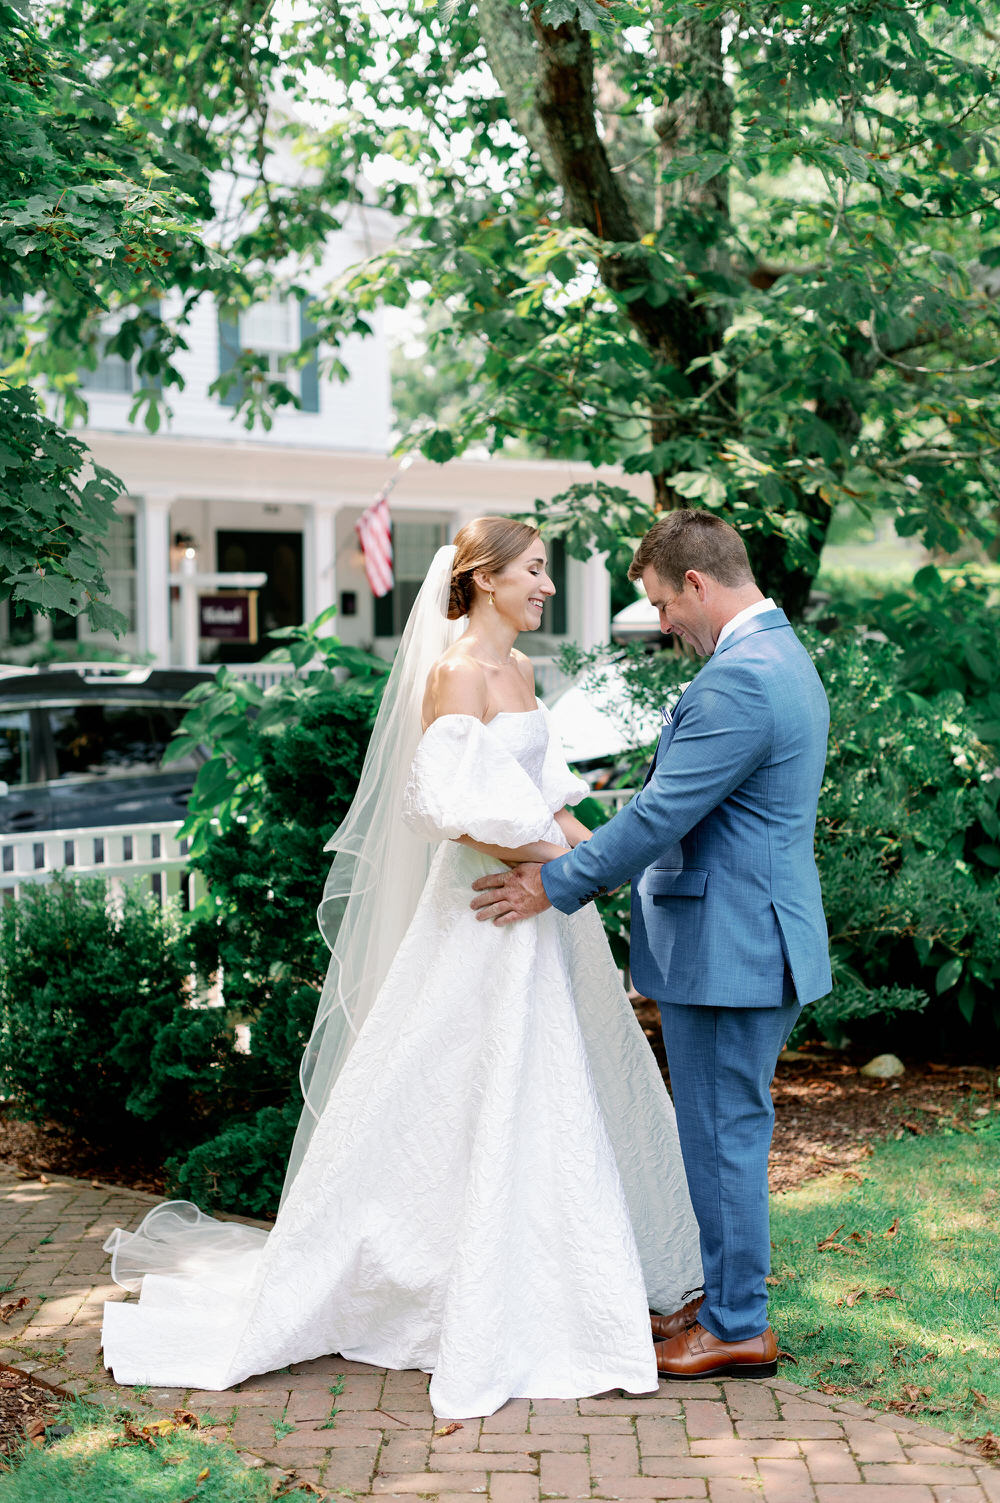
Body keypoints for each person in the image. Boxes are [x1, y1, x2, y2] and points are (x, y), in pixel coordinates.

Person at [101, 516, 702, 1419]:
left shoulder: (526, 672)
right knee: (456, 1089)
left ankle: (555, 1274)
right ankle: (433, 1284)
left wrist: (608, 859)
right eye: (536, 570)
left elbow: (547, 794)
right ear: (486, 576)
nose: (546, 585)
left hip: (541, 913)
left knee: (552, 1088)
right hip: (481, 913)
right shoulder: (453, 672)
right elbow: (451, 807)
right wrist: (556, 862)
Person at [471, 509, 832, 1381]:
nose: (663, 621)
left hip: (730, 943)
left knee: (722, 1134)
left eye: (664, 603)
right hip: (747, 936)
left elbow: (665, 812)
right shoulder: (775, 655)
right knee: (723, 1128)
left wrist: (553, 883)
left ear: (698, 585)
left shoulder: (740, 678)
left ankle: (738, 1323)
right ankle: (723, 1301)